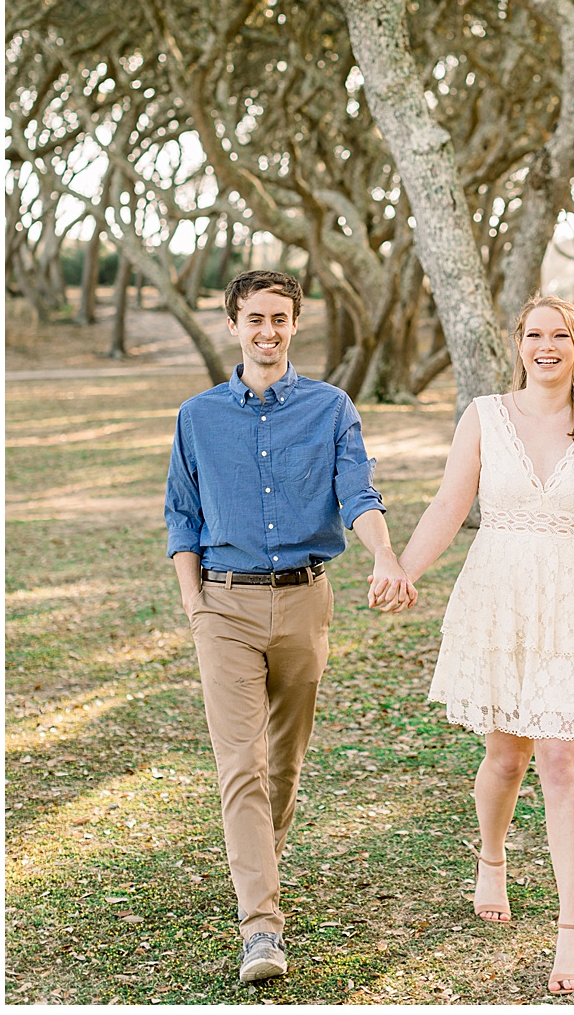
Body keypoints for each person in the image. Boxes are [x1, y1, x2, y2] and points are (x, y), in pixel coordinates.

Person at [393, 294, 574, 995]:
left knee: (561, 760)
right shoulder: (485, 416)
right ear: (518, 345)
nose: (546, 347)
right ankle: (492, 858)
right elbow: (449, 504)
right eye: (534, 335)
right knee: (506, 755)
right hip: (500, 601)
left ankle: (571, 926)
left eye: (559, 336)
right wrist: (403, 570)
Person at [166, 269, 416, 985]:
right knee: (239, 764)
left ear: (295, 325)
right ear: (233, 326)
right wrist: (195, 607)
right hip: (224, 606)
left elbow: (358, 492)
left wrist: (385, 554)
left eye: (279, 318)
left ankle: (257, 868)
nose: (267, 331)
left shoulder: (331, 407)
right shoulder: (197, 417)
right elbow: (182, 514)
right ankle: (261, 925)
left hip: (306, 602)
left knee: (283, 763)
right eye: (255, 318)